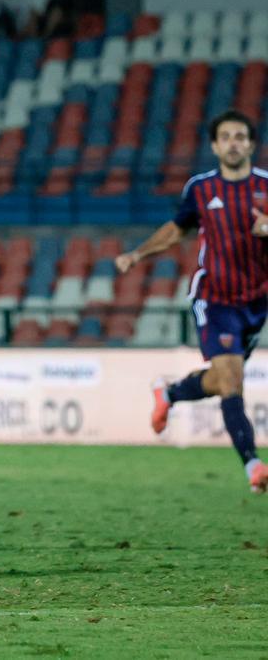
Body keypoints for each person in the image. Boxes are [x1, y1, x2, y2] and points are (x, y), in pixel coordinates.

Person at [115, 110, 268, 493]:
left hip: (256, 301)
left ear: (251, 144)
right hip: (215, 297)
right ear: (215, 146)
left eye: (240, 137)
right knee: (231, 380)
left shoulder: (266, 186)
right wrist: (137, 254)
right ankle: (253, 467)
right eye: (226, 137)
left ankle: (168, 393)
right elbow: (176, 230)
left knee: (221, 380)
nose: (233, 143)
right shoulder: (201, 188)